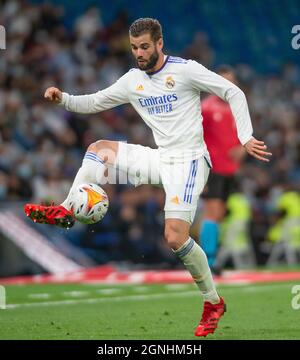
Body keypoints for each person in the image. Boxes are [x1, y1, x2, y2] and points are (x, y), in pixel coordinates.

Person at [24, 18, 272, 337]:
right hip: (160, 159)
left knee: (174, 237)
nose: (139, 53)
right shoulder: (132, 80)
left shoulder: (185, 70)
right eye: (134, 48)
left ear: (159, 43)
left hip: (190, 161)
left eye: (144, 46)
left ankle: (213, 302)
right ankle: (67, 209)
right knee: (99, 149)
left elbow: (233, 91)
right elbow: (95, 101)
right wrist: (64, 99)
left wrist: (245, 136)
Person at [199, 65, 247, 272]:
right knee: (212, 211)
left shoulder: (237, 107)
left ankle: (210, 258)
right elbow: (194, 136)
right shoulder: (206, 108)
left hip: (229, 170)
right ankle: (207, 261)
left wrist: (242, 149)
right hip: (213, 168)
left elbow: (243, 137)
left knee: (218, 215)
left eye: (230, 81)